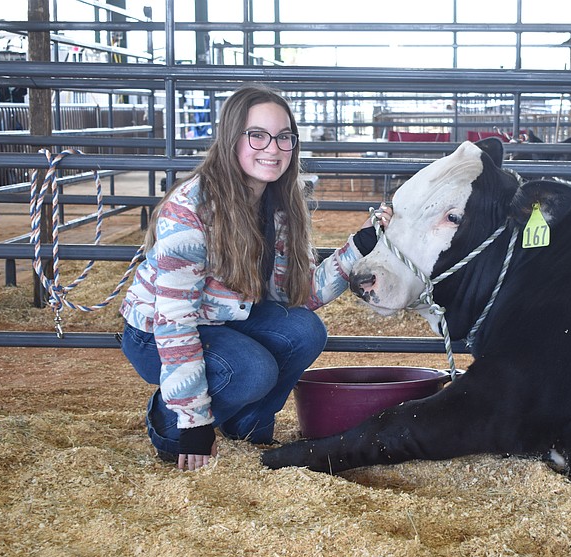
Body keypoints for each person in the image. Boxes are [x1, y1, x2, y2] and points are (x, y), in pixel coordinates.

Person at [119, 84, 391, 471]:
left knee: (305, 330)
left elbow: (300, 294)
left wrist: (361, 244)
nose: (273, 149)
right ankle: (169, 426)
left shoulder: (279, 204)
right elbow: (174, 322)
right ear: (232, 138)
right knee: (251, 369)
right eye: (258, 135)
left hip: (224, 320)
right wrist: (194, 423)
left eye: (284, 137)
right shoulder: (190, 210)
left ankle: (247, 428)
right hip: (155, 334)